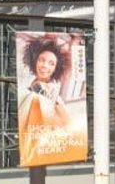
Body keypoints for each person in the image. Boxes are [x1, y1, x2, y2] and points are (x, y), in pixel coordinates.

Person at [17, 34, 82, 166]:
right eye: (41, 60)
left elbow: (67, 122)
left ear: (55, 69)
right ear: (35, 61)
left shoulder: (54, 93)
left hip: (52, 147)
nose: (44, 66)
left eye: (51, 63)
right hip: (37, 147)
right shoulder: (28, 88)